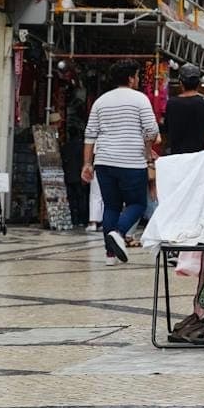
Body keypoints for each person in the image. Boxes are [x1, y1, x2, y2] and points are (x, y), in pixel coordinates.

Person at [80, 62, 157, 266]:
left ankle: (110, 255)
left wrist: (87, 164)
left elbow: (89, 135)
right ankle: (119, 233)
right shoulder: (140, 99)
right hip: (131, 161)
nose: (138, 80)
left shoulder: (100, 101)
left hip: (104, 161)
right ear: (131, 78)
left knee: (111, 206)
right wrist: (148, 153)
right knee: (138, 204)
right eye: (138, 76)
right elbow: (151, 130)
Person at [161, 64, 204, 156]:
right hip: (199, 158)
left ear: (181, 83)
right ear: (198, 83)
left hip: (177, 158)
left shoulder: (172, 103)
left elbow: (167, 129)